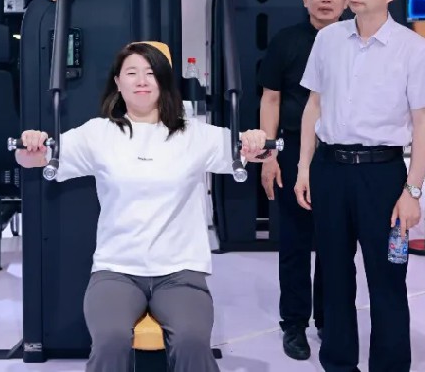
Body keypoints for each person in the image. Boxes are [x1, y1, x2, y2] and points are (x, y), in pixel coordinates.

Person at [15, 41, 271, 372]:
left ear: (163, 81)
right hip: (117, 270)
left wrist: (255, 141)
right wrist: (30, 144)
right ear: (117, 82)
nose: (141, 81)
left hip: (180, 270)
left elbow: (259, 153)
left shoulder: (194, 135)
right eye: (132, 73)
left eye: (150, 73)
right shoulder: (99, 134)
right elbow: (32, 159)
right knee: (109, 341)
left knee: (192, 341)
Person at [295, 0, 425, 372]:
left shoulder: (413, 49)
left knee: (388, 277)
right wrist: (304, 167)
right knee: (334, 275)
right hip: (330, 170)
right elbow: (313, 106)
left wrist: (413, 190)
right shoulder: (328, 40)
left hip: (383, 175)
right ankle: (339, 362)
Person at [258, 0, 347, 360]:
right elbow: (270, 99)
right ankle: (294, 324)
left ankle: (329, 319)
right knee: (295, 241)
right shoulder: (286, 41)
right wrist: (269, 153)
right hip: (294, 147)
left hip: (341, 152)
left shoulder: (356, 41)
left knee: (336, 242)